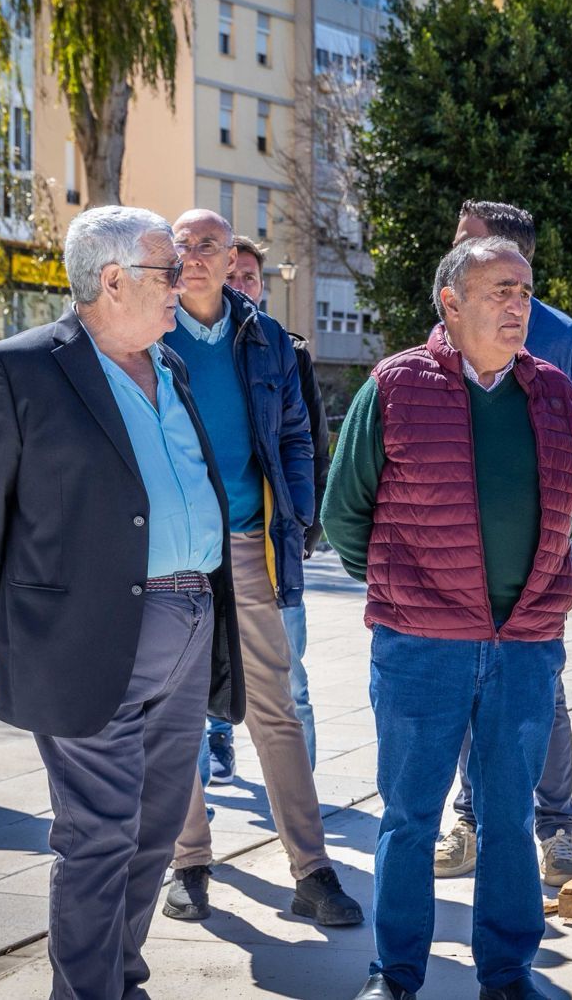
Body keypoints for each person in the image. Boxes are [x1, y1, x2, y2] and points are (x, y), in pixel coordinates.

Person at [0, 206, 245, 1000]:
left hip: (187, 627)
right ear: (112, 280)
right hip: (87, 639)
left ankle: (119, 977)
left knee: (152, 830)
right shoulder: (22, 370)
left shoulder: (168, 364)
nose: (184, 284)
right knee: (98, 835)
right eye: (166, 271)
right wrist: (24, 638)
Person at [324, 237, 572, 1000]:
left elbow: (561, 512)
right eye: (500, 289)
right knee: (411, 815)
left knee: (507, 814)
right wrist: (403, 592)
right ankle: (395, 973)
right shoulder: (396, 385)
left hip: (526, 645)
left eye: (526, 290)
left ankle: (507, 972)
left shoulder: (554, 392)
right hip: (421, 645)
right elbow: (346, 510)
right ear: (451, 302)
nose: (518, 305)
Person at [160, 211, 361, 928]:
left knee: (275, 707)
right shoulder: (144, 332)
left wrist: (299, 518)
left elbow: (298, 432)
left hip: (249, 543)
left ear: (231, 256)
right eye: (180, 246)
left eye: (207, 245)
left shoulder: (268, 338)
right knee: (176, 706)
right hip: (171, 551)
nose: (192, 257)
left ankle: (312, 868)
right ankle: (189, 861)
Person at [436, 200, 572, 888]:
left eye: (465, 243)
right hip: (458, 555)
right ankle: (470, 821)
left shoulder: (566, 340)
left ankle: (557, 828)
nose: (452, 253)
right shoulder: (443, 330)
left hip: (537, 556)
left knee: (544, 693)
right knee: (467, 688)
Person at [200, 235, 329, 770]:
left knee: (288, 678)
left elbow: (311, 444)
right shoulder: (168, 338)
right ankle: (198, 799)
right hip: (202, 544)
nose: (240, 285)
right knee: (194, 676)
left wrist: (303, 523)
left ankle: (302, 809)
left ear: (263, 285)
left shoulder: (285, 348)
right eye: (232, 276)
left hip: (270, 543)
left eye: (249, 276)